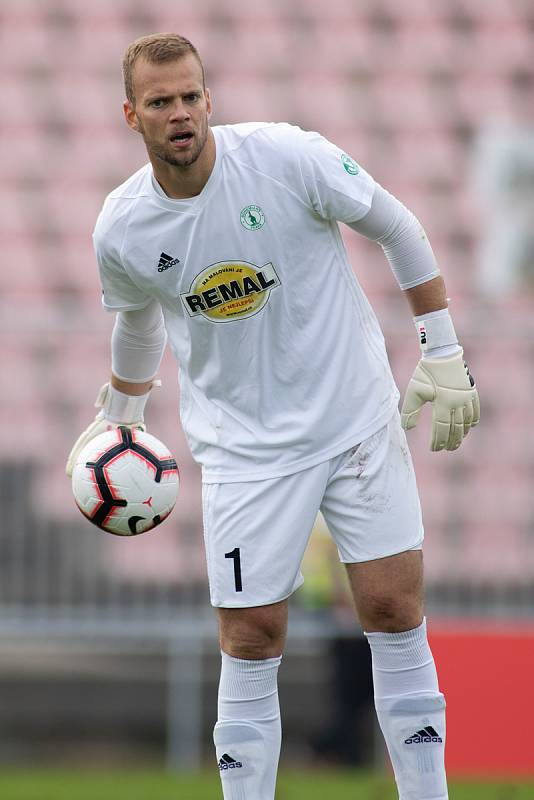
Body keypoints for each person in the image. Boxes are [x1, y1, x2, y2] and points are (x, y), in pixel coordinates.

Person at [66, 33, 479, 800]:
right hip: (244, 451)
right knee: (252, 637)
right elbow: (138, 319)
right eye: (161, 102)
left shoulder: (287, 158)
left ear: (209, 100)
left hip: (354, 417)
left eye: (191, 96)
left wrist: (443, 351)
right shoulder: (122, 226)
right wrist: (122, 412)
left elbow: (399, 226)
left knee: (393, 610)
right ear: (133, 115)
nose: (181, 112)